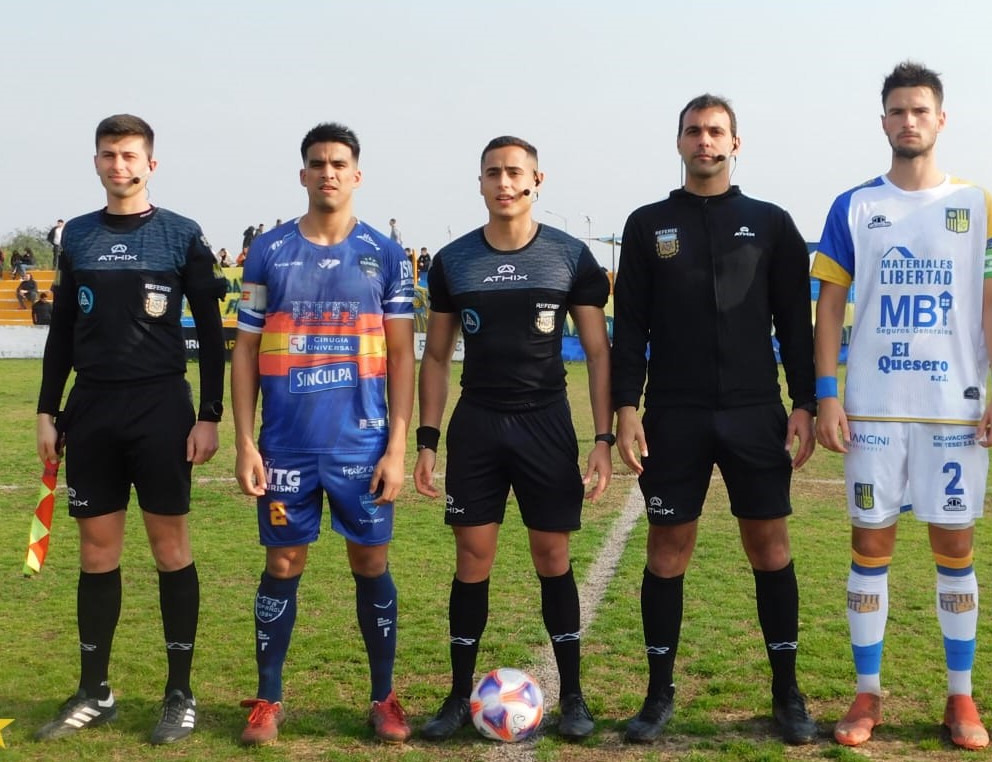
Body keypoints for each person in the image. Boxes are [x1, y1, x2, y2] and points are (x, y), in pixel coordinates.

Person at [811, 62, 992, 750]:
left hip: (953, 410)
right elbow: (830, 308)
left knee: (954, 548)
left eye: (920, 110)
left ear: (940, 119)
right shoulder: (853, 206)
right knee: (870, 545)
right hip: (873, 410)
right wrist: (827, 395)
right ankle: (867, 692)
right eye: (897, 111)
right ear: (883, 122)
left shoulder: (977, 205)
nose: (909, 121)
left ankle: (961, 695)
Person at [612, 94, 818, 746]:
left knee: (770, 547)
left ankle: (787, 693)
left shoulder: (771, 223)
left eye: (716, 131)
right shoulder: (647, 225)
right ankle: (658, 694)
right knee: (667, 549)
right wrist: (626, 407)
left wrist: (805, 402)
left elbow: (795, 323)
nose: (705, 141)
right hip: (674, 413)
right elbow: (630, 327)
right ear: (680, 142)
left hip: (755, 411)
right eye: (694, 131)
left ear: (735, 143)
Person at [34, 114, 227, 744]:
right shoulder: (78, 236)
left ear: (150, 164)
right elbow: (63, 331)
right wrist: (47, 409)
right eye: (109, 155)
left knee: (171, 548)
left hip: (160, 408)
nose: (119, 165)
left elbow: (211, 334)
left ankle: (180, 693)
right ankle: (95, 691)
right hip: (92, 409)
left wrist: (209, 414)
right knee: (97, 553)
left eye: (129, 156)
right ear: (96, 162)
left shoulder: (181, 234)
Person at [414, 135, 613, 741]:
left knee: (552, 556)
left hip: (545, 423)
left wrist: (602, 437)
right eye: (493, 173)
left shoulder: (570, 256)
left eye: (515, 172)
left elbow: (599, 352)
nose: (504, 182)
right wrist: (428, 440)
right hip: (478, 425)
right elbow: (437, 356)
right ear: (480, 182)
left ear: (536, 181)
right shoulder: (453, 261)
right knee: (472, 558)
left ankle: (573, 696)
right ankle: (457, 697)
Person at [232, 122, 416, 746]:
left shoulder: (386, 255)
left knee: (371, 561)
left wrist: (397, 447)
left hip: (361, 445)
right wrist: (245, 442)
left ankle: (384, 697)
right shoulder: (268, 250)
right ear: (303, 174)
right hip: (285, 443)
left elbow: (402, 355)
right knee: (283, 561)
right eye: (317, 163)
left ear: (356, 175)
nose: (328, 172)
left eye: (339, 163)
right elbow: (245, 351)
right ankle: (268, 699)